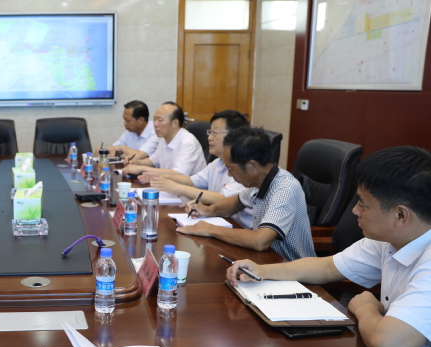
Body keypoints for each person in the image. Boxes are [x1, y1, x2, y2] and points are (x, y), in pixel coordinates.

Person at [227, 146, 431, 347]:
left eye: (363, 204)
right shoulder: (391, 239)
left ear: (400, 215)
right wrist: (261, 271)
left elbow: (388, 345)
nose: (355, 211)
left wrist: (365, 307)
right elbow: (326, 267)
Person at [178, 125, 315, 261]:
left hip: (291, 266)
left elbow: (260, 241)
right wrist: (207, 210)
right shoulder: (259, 181)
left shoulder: (285, 189)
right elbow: (236, 202)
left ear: (252, 165)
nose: (229, 175)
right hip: (265, 260)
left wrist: (210, 229)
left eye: (231, 169)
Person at [139, 109, 253, 228]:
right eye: (210, 132)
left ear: (234, 136)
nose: (209, 137)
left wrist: (177, 188)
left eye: (215, 132)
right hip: (221, 220)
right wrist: (164, 177)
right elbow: (192, 181)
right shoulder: (217, 163)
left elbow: (224, 199)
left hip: (239, 227)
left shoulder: (243, 167)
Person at [121, 101, 206, 177]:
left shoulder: (188, 142)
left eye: (160, 120)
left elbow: (179, 174)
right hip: (169, 186)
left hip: (190, 189)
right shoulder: (164, 139)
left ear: (174, 123)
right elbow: (153, 161)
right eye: (155, 119)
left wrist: (141, 168)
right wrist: (136, 162)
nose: (155, 124)